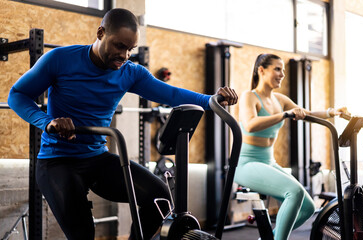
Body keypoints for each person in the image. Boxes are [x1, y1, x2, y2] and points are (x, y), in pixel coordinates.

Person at [7, 8, 237, 240]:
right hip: (58, 162)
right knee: (82, 233)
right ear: (100, 33)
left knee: (160, 198)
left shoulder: (131, 73)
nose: (125, 55)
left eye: (130, 49)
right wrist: (47, 122)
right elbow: (17, 95)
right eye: (119, 46)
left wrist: (211, 100)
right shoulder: (59, 60)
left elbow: (173, 94)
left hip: (96, 158)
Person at [234, 53, 347, 240]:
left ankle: (269, 238)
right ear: (261, 70)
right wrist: (285, 115)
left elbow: (307, 114)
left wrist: (332, 112)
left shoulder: (280, 100)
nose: (282, 74)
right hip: (245, 163)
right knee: (293, 192)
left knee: (308, 207)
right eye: (277, 69)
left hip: (269, 161)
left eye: (283, 70)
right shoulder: (249, 96)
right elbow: (250, 124)